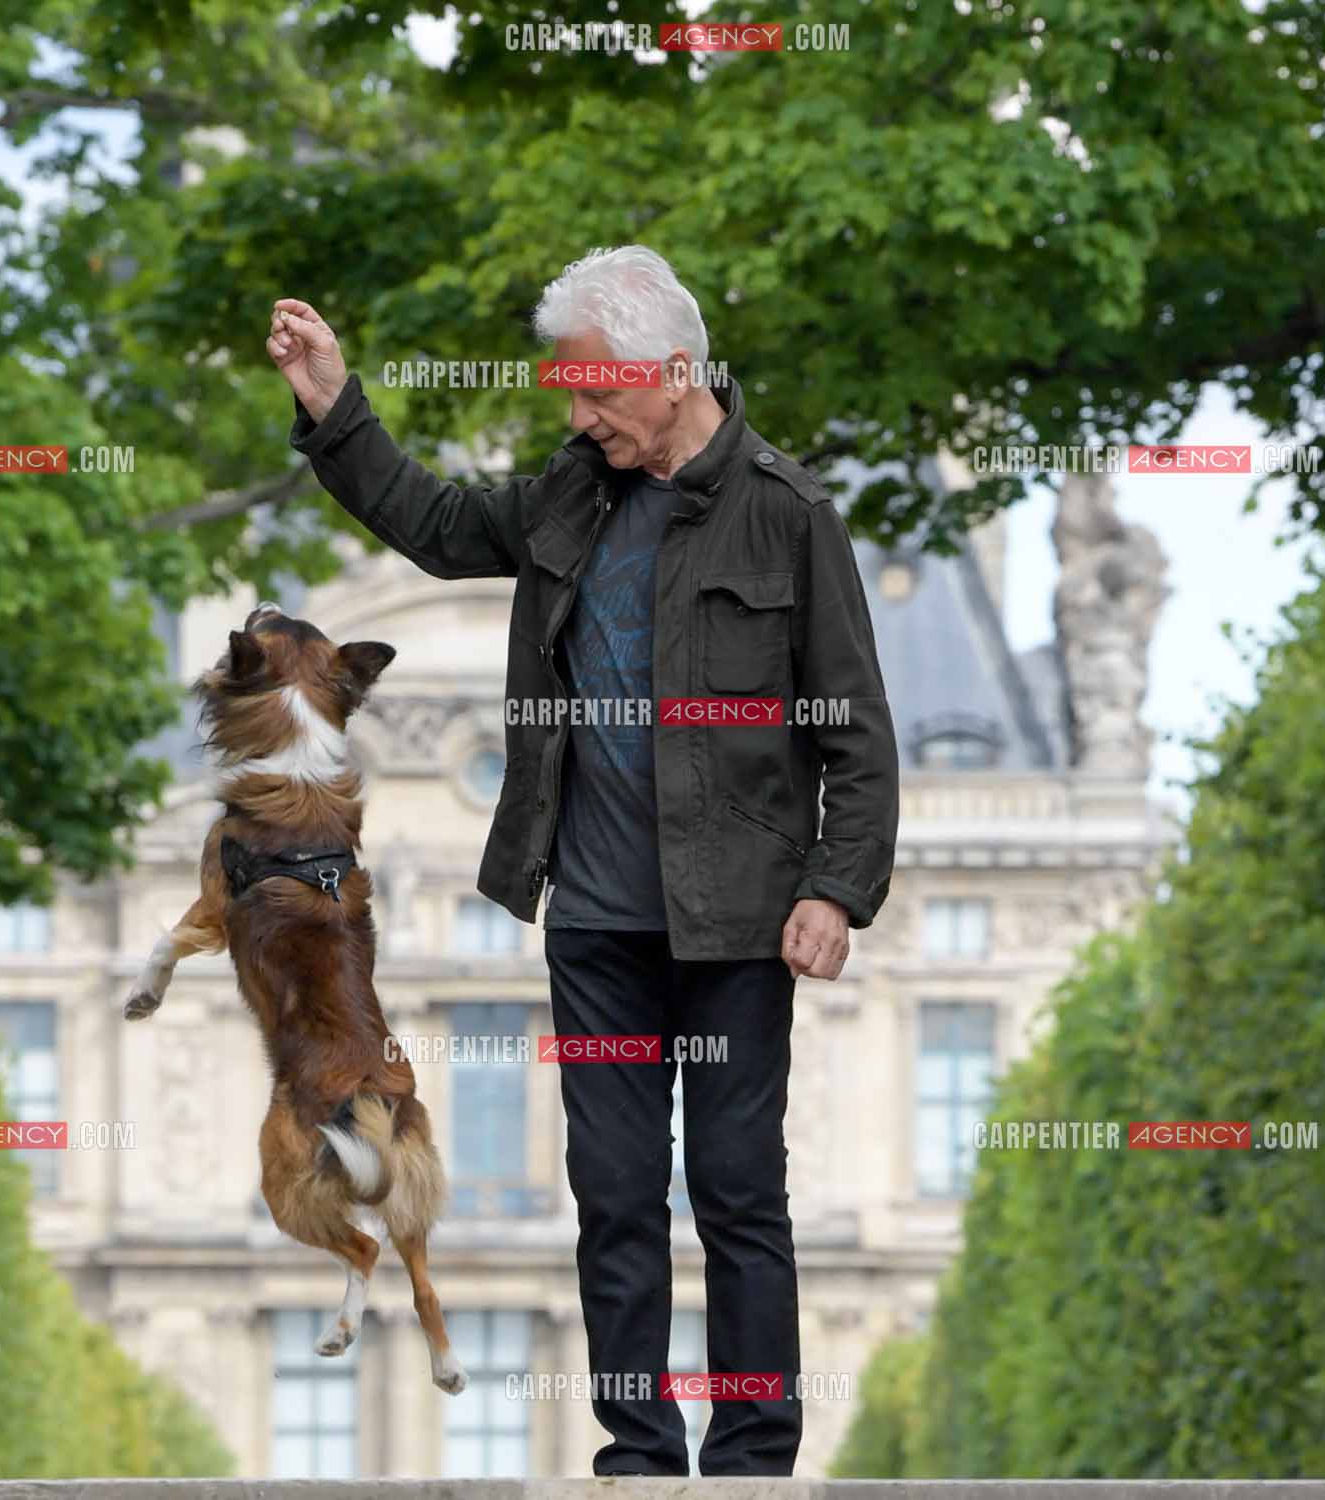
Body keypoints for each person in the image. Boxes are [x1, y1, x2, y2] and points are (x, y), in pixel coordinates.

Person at [264, 244, 899, 1476]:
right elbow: (439, 527)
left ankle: (755, 1454)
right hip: (596, 918)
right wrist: (335, 410)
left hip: (732, 922)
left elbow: (854, 727)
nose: (578, 414)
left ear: (671, 373)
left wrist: (835, 889)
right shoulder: (571, 492)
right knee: (611, 1195)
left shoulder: (788, 512)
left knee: (732, 1191)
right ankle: (639, 1456)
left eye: (597, 392)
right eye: (568, 391)